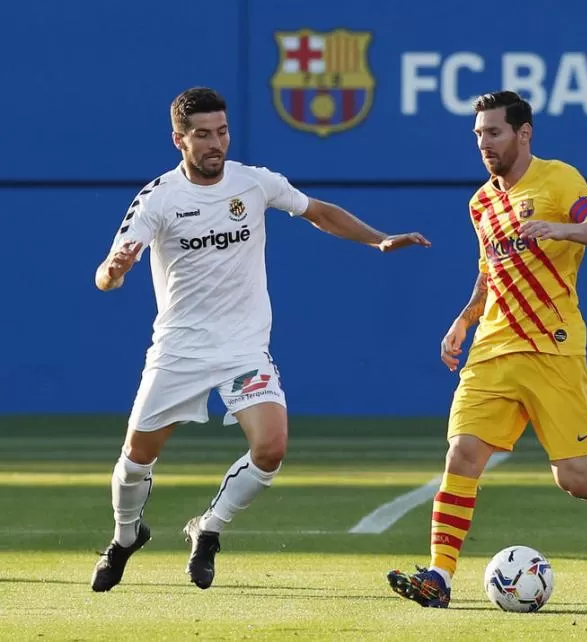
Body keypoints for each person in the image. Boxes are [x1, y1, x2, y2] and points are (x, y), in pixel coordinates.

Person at [90, 87, 430, 592]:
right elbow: (107, 274)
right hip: (179, 349)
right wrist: (113, 272)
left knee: (270, 448)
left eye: (222, 132)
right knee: (136, 457)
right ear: (179, 139)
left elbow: (318, 210)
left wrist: (376, 238)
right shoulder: (158, 198)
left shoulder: (253, 183)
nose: (215, 144)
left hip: (243, 347)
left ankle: (208, 529)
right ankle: (124, 538)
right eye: (202, 135)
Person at [386, 90, 587, 608]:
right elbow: (487, 273)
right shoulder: (480, 202)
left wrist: (560, 228)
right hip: (494, 348)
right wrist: (464, 320)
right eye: (478, 135)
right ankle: (440, 577)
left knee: (575, 478)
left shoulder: (559, 178)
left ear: (523, 134)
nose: (484, 144)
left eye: (493, 132)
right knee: (463, 452)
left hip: (553, 348)